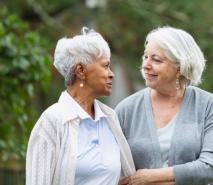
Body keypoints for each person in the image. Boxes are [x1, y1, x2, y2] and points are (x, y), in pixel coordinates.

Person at [115, 26, 213, 185]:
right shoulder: (126, 110)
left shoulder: (209, 105)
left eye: (156, 59)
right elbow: (112, 170)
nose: (146, 65)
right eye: (145, 57)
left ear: (180, 67)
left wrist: (149, 178)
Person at [26, 27, 135, 185]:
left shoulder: (110, 118)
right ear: (81, 71)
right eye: (105, 66)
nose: (111, 74)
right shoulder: (52, 121)